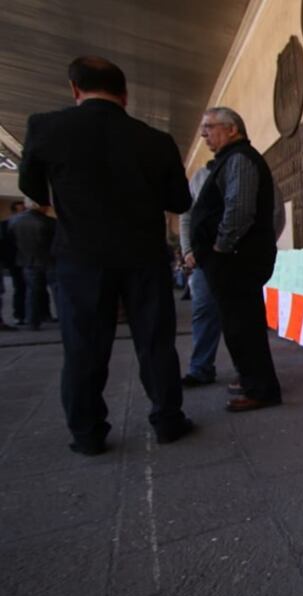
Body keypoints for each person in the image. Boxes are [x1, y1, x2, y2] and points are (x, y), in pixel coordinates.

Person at [18, 55, 194, 455]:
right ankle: (168, 420)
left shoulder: (46, 127)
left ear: (75, 89)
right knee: (155, 342)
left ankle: (88, 432)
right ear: (125, 94)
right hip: (143, 255)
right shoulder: (155, 140)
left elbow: (32, 187)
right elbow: (179, 201)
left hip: (81, 255)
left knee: (83, 346)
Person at [189, 107, 282, 412]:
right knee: (238, 324)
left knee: (243, 326)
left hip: (235, 260)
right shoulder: (230, 160)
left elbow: (239, 209)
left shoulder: (239, 159)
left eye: (210, 127)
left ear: (232, 129)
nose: (204, 134)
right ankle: (251, 379)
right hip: (232, 260)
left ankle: (260, 389)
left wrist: (220, 247)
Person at [177, 165, 219, 387]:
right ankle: (201, 368)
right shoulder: (200, 176)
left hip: (236, 255)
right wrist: (187, 250)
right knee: (203, 310)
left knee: (240, 314)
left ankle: (248, 371)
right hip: (205, 256)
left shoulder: (242, 166)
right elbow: (186, 215)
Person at [9, 198, 56, 329]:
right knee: (57, 290)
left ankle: (33, 320)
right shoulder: (49, 222)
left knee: (32, 292)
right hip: (48, 260)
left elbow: (11, 241)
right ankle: (61, 318)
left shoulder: (14, 221)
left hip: (27, 260)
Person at [1, 201, 28, 325]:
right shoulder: (5, 225)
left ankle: (35, 314)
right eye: (20, 210)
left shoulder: (26, 223)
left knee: (31, 288)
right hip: (15, 261)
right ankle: (20, 315)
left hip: (27, 258)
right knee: (20, 287)